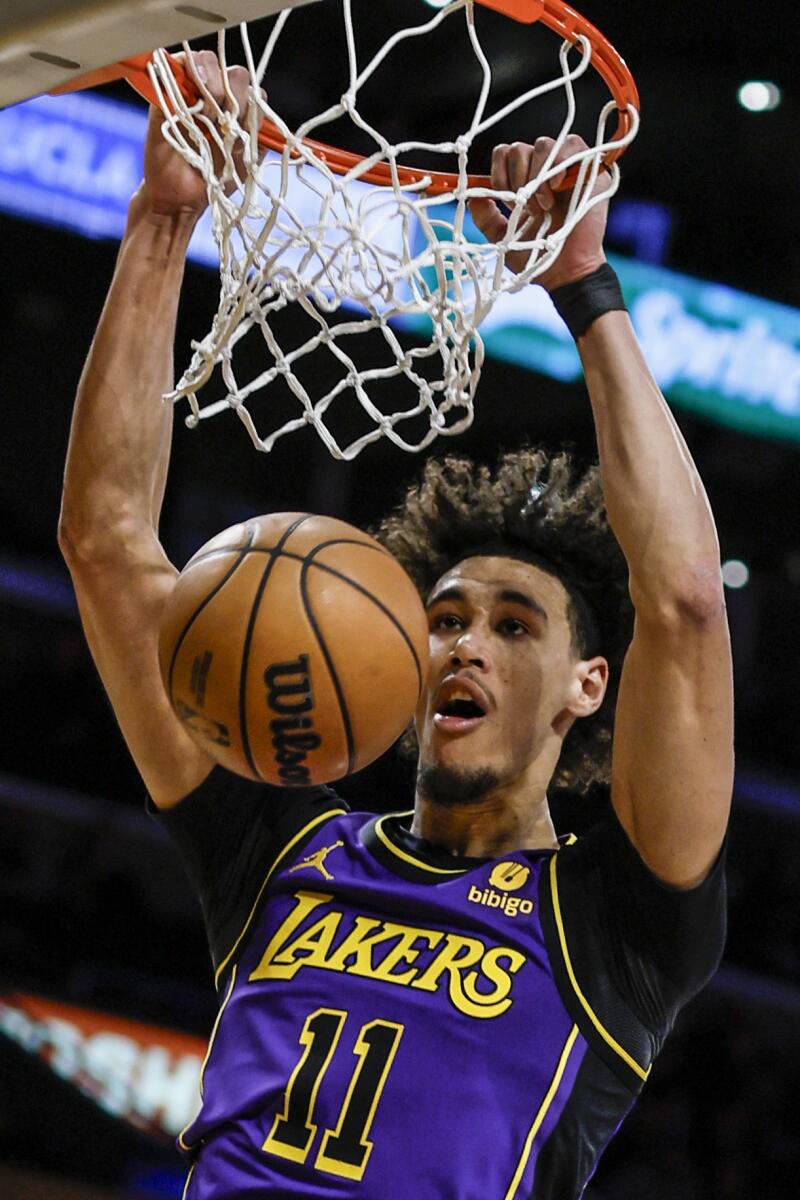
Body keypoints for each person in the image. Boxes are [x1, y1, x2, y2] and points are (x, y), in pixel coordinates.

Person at [58, 51, 733, 1200]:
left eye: (514, 627)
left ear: (587, 685)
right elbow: (110, 547)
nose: (461, 643)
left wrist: (583, 285)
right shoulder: (281, 851)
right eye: (444, 617)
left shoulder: (614, 924)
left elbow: (681, 604)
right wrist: (164, 220)